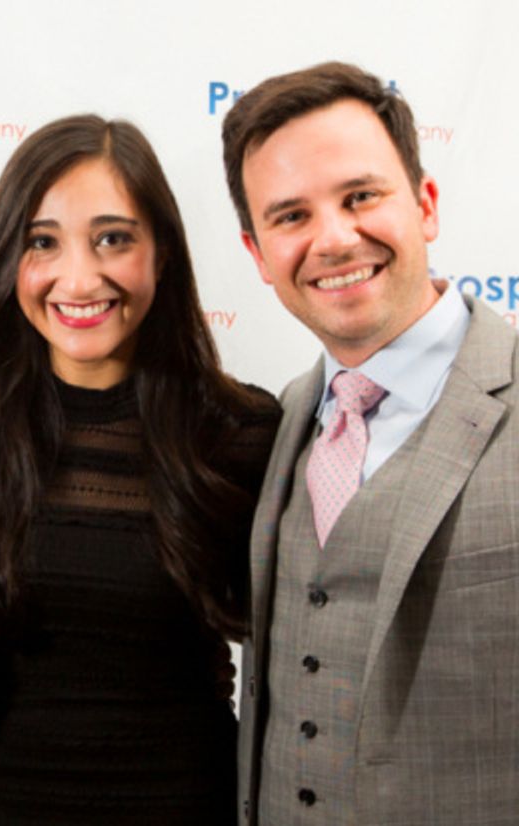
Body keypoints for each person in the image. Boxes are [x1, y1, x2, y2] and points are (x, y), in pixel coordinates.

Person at [0, 115, 280, 825]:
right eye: (41, 243)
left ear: (163, 254)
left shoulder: (238, 431)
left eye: (113, 238)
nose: (78, 277)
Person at [222, 61, 519, 824]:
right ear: (258, 256)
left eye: (361, 196)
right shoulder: (280, 419)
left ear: (424, 204)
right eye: (290, 216)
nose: (334, 237)